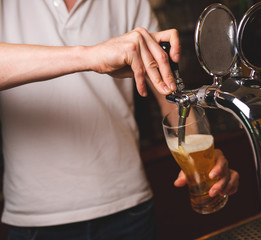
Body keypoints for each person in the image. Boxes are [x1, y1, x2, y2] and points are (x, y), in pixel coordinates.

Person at [0, 0, 239, 239]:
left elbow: (168, 92)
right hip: (36, 217)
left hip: (128, 207)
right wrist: (90, 56)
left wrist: (201, 157)